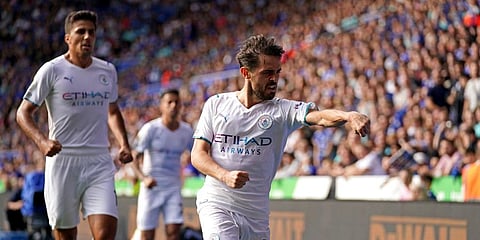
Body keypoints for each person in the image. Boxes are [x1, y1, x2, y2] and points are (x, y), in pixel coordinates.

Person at [191, 34, 370, 239]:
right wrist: (225, 175)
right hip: (217, 203)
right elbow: (198, 155)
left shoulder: (282, 111)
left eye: (277, 72)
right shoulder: (217, 104)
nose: (274, 79)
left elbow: (320, 118)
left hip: (256, 214)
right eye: (267, 73)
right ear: (246, 73)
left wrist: (348, 115)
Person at [15, 10, 133, 240]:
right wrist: (41, 141)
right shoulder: (52, 70)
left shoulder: (107, 71)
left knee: (105, 234)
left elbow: (113, 110)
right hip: (63, 162)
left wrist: (124, 144)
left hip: (99, 161)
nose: (87, 36)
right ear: (68, 38)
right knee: (66, 235)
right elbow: (22, 113)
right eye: (81, 32)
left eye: (92, 32)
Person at [131, 89, 194, 240]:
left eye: (177, 102)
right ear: (162, 106)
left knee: (174, 232)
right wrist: (143, 178)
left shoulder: (186, 131)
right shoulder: (150, 129)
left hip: (173, 187)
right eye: (169, 102)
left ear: (181, 106)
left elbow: (198, 154)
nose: (173, 105)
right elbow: (134, 157)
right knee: (147, 234)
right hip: (151, 187)